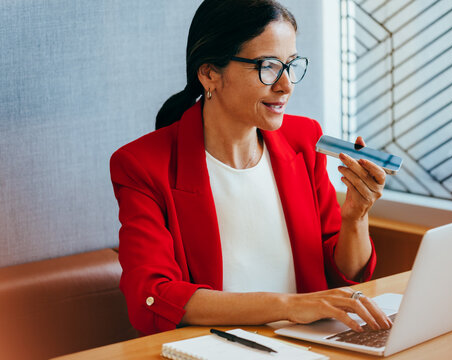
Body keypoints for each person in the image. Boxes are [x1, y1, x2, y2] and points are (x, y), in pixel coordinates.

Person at [110, 0, 391, 336]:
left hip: (311, 346)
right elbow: (152, 297)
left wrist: (355, 217)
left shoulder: (304, 139)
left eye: (291, 65)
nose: (286, 85)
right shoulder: (142, 165)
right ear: (210, 73)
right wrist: (289, 306)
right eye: (268, 66)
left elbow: (340, 276)